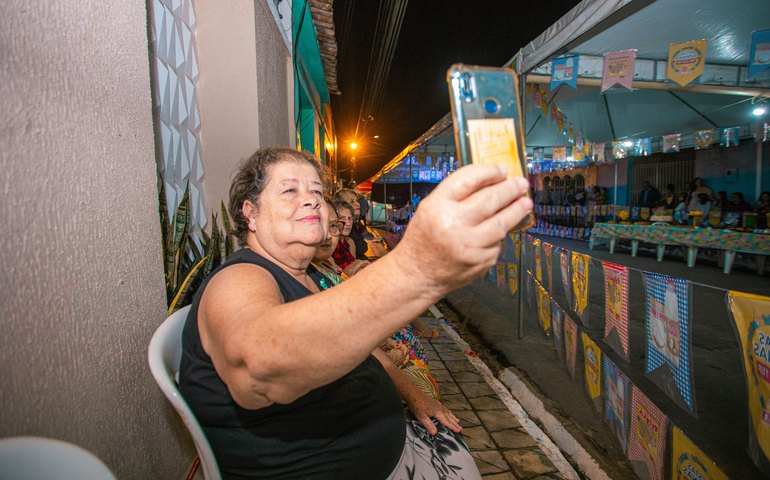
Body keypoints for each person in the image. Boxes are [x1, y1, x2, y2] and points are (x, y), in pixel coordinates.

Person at [179, 147, 532, 479]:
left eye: (317, 191)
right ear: (250, 213)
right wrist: (416, 269)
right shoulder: (238, 278)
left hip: (398, 448)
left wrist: (414, 395)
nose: (311, 199)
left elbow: (362, 351)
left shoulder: (309, 277)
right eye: (289, 191)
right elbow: (259, 367)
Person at [332, 201, 369, 277]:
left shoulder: (350, 242)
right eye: (342, 218)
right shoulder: (330, 243)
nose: (348, 223)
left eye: (350, 218)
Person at [335, 189, 369, 259]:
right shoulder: (339, 237)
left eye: (357, 200)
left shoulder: (354, 225)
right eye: (352, 201)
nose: (358, 204)